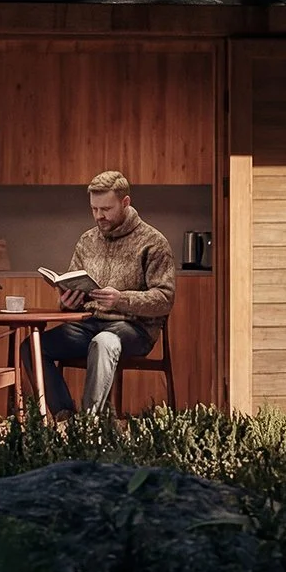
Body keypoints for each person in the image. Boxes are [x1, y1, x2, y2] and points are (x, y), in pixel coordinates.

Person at [37, 170, 177, 419]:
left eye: (106, 209)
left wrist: (121, 299)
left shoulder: (153, 242)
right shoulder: (87, 241)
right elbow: (73, 285)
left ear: (125, 203)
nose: (99, 216)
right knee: (34, 347)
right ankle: (65, 415)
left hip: (135, 329)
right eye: (94, 209)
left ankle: (91, 422)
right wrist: (67, 302)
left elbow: (164, 299)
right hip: (90, 324)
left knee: (103, 342)